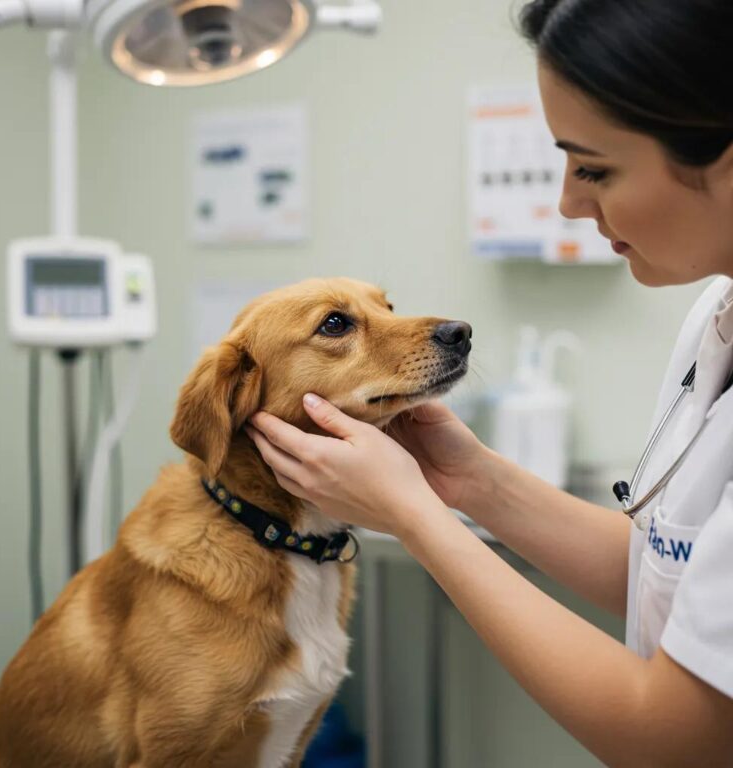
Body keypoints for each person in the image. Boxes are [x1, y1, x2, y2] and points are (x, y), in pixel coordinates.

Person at [245, 0, 733, 763]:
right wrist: (471, 481)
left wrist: (414, 518)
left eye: (595, 168)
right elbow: (670, 571)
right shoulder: (716, 315)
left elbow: (675, 737)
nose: (570, 203)